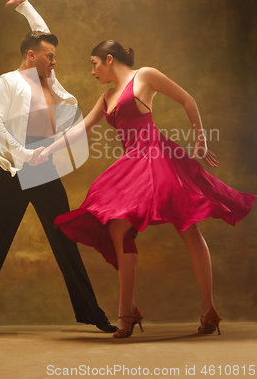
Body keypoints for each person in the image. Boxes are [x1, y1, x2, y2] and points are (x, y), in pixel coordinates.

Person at [34, 41, 256, 338]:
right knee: (118, 228)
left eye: (94, 63)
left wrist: (199, 139)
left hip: (158, 160)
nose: (91, 71)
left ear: (109, 60)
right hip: (133, 165)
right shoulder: (107, 96)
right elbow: (80, 129)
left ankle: (208, 309)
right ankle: (127, 312)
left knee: (188, 227)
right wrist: (48, 150)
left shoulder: (145, 76)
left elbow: (187, 99)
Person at [0, 0, 117, 337]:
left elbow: (42, 34)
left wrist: (24, 5)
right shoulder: (7, 82)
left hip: (44, 167)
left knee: (64, 241)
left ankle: (94, 314)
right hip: (16, 168)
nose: (54, 61)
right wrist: (26, 156)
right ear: (31, 56)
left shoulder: (48, 79)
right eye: (49, 55)